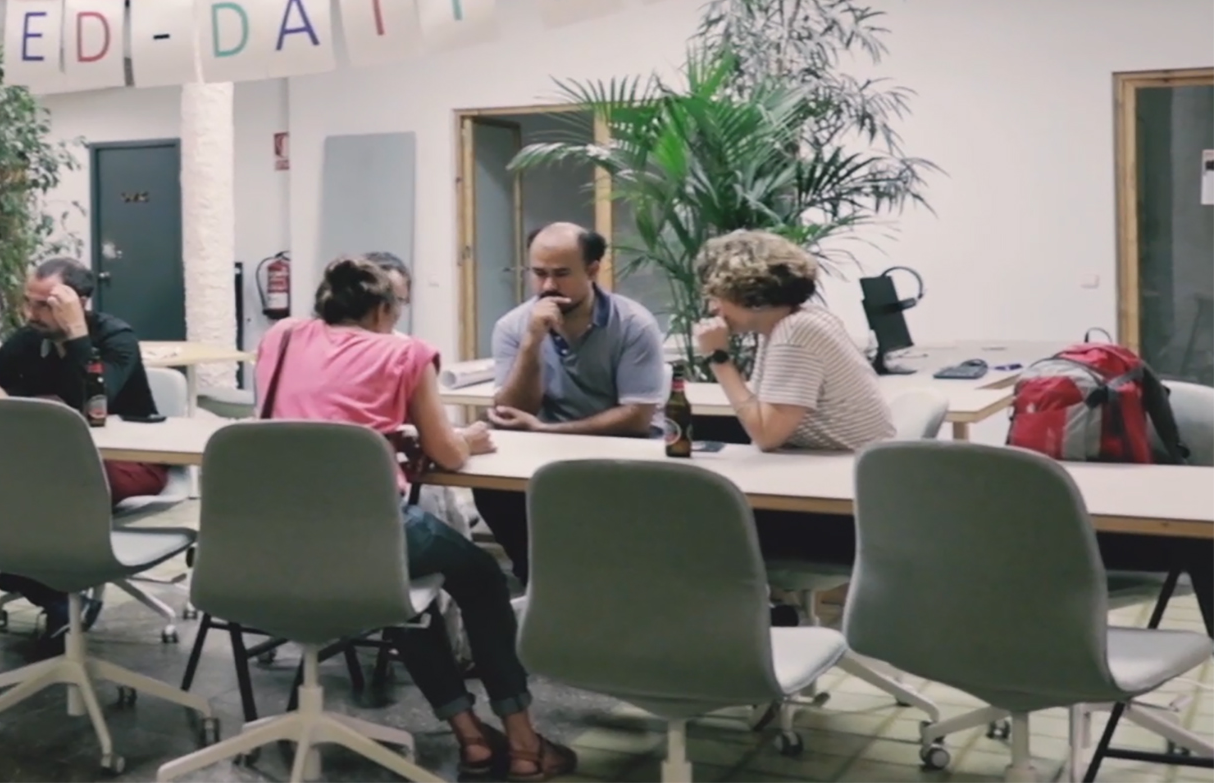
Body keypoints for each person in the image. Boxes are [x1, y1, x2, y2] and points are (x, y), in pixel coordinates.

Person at [257, 258, 574, 782]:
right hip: (367, 531)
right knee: (479, 579)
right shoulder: (405, 352)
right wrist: (466, 440)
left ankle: (469, 734)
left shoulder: (283, 338)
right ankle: (522, 740)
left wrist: (388, 438)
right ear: (385, 308)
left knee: (405, 595)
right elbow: (448, 454)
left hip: (273, 535)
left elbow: (308, 425)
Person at [0, 257, 168, 649]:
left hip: (128, 461)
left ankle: (28, 575)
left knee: (41, 489)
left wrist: (76, 336)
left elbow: (92, 405)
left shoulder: (116, 337)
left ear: (78, 302)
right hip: (52, 463)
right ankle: (53, 593)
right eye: (28, 302)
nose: (32, 314)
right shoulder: (31, 337)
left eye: (44, 304)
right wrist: (32, 399)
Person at [473, 224, 668, 583]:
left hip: (621, 452)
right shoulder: (514, 326)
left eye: (561, 274)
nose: (548, 286)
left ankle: (608, 582)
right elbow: (514, 411)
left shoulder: (633, 324)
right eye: (539, 274)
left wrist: (548, 429)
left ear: (592, 271)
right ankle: (539, 581)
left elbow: (637, 417)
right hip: (544, 456)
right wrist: (532, 342)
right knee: (490, 486)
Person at [691, 230, 895, 453]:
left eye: (718, 297)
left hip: (847, 471)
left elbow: (766, 435)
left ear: (751, 296)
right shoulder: (795, 321)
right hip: (842, 462)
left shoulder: (795, 334)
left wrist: (718, 358)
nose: (713, 309)